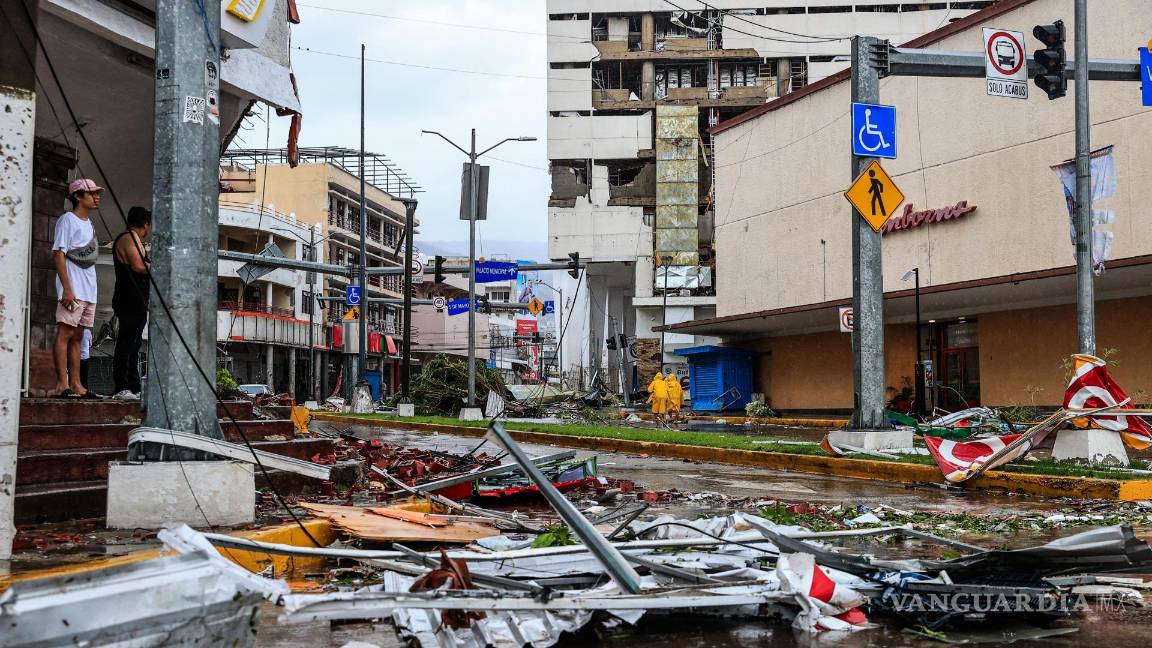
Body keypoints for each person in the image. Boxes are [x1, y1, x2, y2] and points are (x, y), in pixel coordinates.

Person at [52, 178, 103, 398]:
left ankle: (77, 384)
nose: (96, 197)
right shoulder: (67, 220)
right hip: (73, 287)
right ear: (78, 196)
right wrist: (67, 289)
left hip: (89, 288)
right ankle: (62, 384)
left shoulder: (89, 223)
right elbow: (58, 254)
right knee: (65, 332)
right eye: (91, 193)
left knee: (79, 336)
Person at [111, 206, 152, 400]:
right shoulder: (131, 238)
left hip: (136, 298)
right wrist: (160, 267)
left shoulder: (133, 238)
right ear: (145, 224)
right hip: (129, 298)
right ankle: (122, 386)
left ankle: (133, 385)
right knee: (127, 342)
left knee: (134, 343)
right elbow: (138, 266)